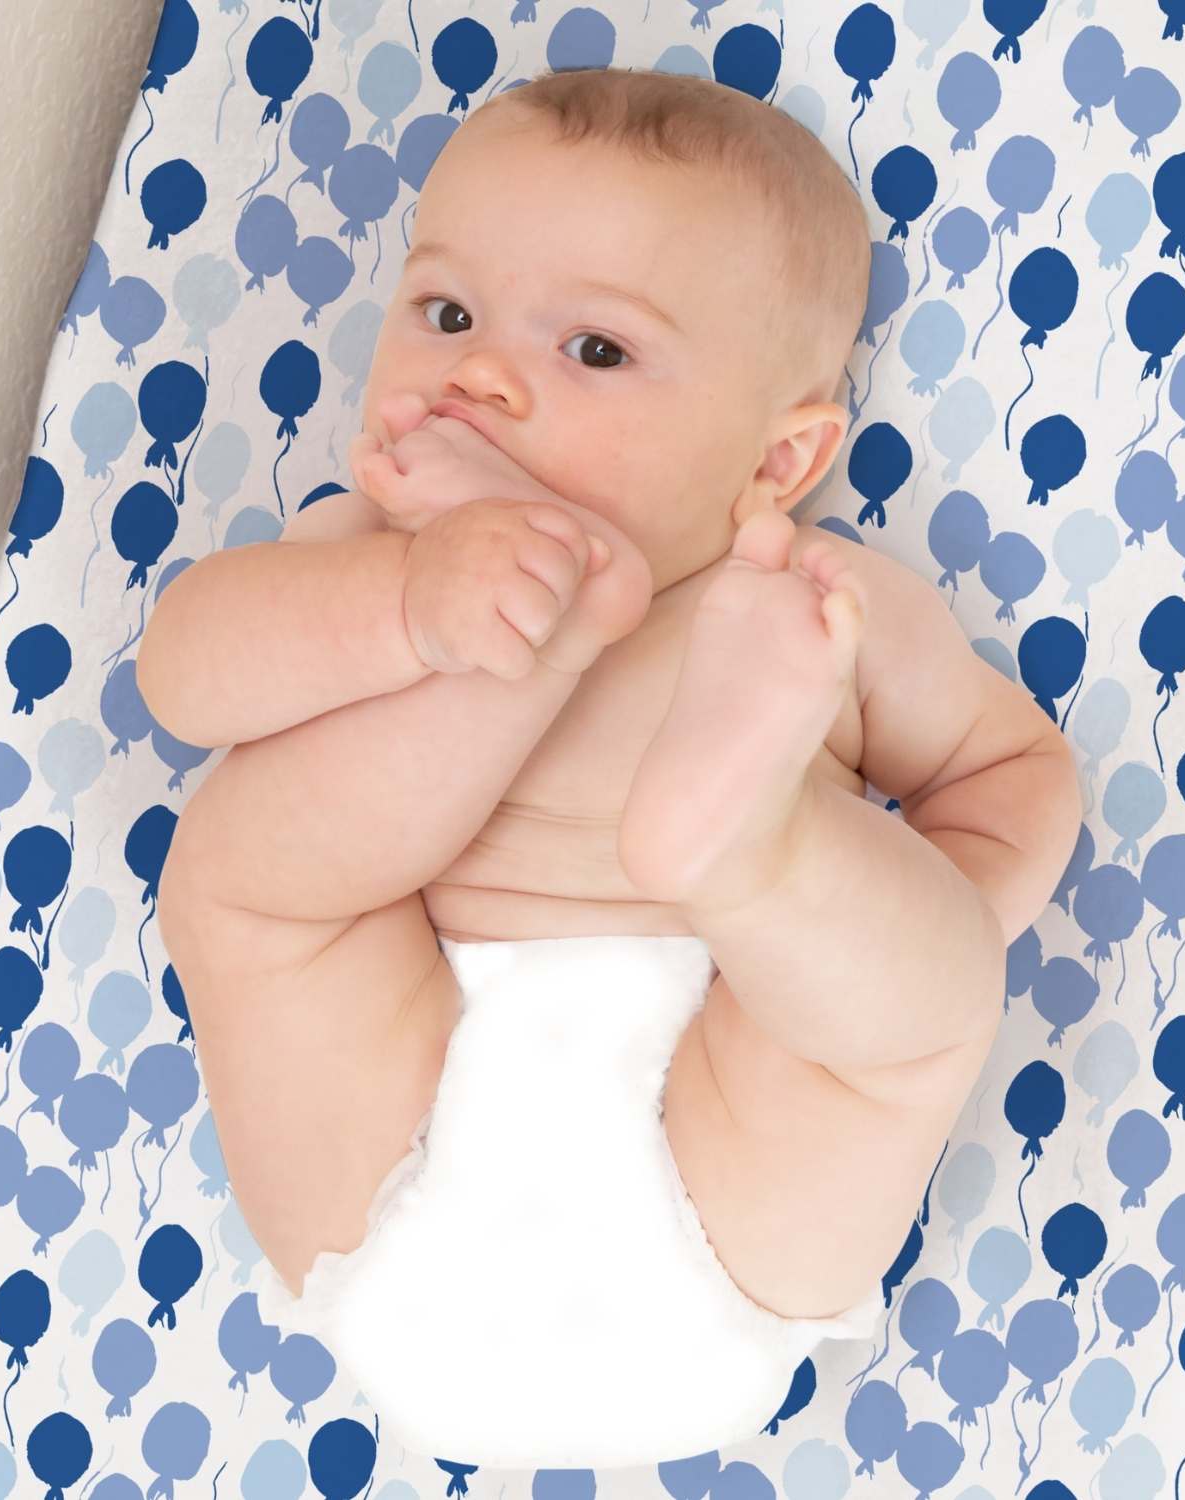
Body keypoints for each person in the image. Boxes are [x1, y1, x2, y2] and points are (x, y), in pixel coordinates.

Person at [137, 66, 1082, 1469]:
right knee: (231, 874)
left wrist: (883, 943)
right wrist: (407, 612)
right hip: (397, 1148)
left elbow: (1011, 771)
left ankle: (754, 856)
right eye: (445, 313)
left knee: (913, 999)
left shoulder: (812, 611)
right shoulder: (365, 557)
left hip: (732, 1151)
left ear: (780, 461)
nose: (479, 372)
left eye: (595, 349)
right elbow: (182, 677)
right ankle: (619, 718)